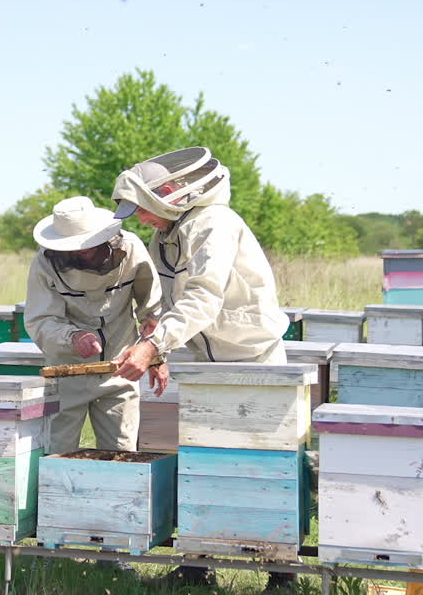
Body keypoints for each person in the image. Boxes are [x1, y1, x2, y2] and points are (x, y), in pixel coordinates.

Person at [108, 147, 293, 592]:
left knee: (264, 467)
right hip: (206, 362)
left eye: (144, 210)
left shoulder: (215, 224)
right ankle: (197, 563)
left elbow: (204, 298)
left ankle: (282, 571)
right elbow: (176, 302)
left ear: (173, 196)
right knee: (200, 462)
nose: (141, 221)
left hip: (253, 358)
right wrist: (163, 347)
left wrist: (153, 346)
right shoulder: (166, 236)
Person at [24, 195, 161, 454]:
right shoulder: (44, 261)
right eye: (70, 248)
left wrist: (157, 356)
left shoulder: (131, 249)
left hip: (121, 369)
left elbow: (153, 310)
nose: (77, 253)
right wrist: (72, 337)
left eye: (84, 247)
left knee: (121, 455)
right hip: (65, 371)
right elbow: (40, 320)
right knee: (57, 453)